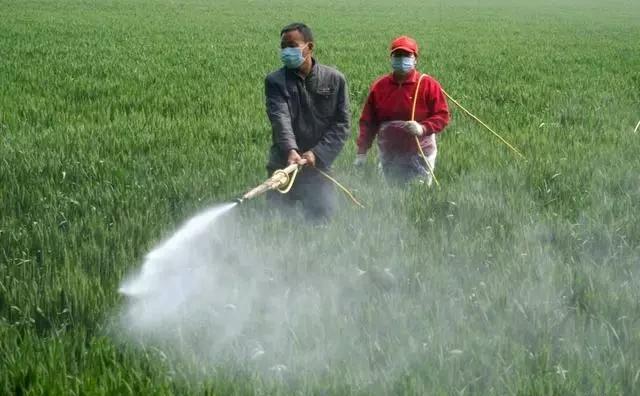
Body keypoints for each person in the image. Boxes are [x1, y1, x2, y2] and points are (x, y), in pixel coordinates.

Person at [264, 22, 350, 220]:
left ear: (309, 47)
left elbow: (342, 124)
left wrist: (317, 153)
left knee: (320, 223)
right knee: (279, 223)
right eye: (283, 47)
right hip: (283, 164)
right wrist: (290, 150)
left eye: (292, 46)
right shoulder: (275, 81)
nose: (286, 51)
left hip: (319, 168)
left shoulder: (334, 80)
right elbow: (280, 117)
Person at [354, 35, 449, 185]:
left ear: (415, 59)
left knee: (418, 193)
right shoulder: (380, 87)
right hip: (389, 154)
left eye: (406, 55)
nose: (401, 59)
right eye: (397, 55)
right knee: (390, 193)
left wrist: (423, 128)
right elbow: (368, 122)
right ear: (391, 58)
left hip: (420, 153)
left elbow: (442, 116)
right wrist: (362, 151)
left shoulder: (428, 85)